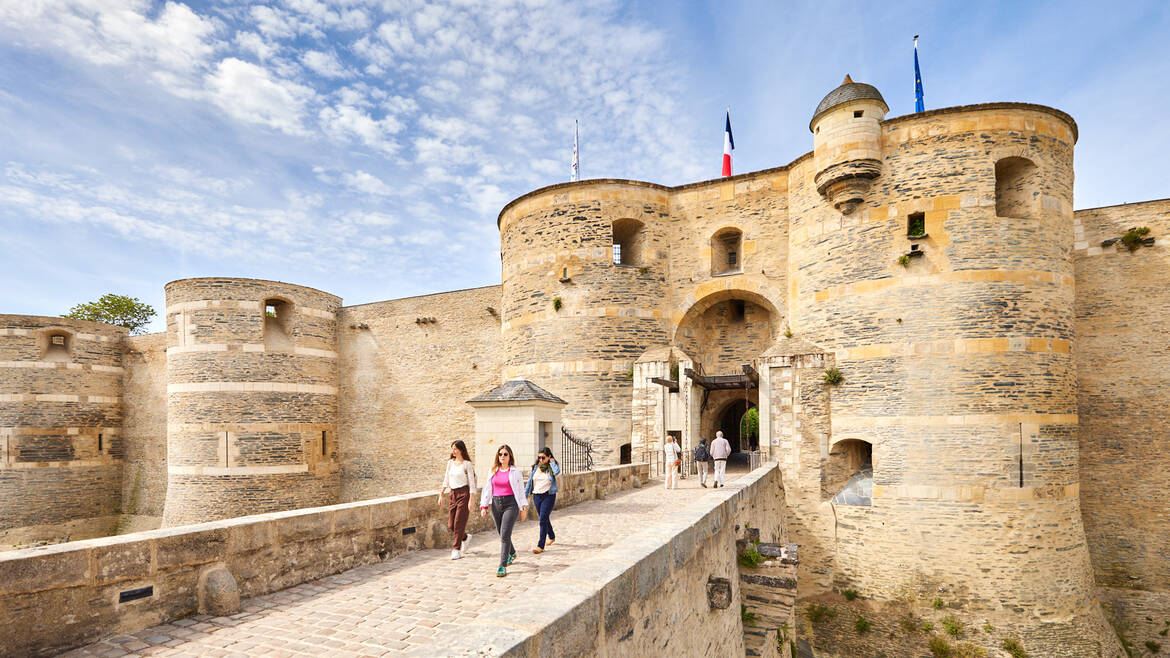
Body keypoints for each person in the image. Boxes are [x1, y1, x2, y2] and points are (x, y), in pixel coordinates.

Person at [479, 444, 527, 577]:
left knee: (505, 535)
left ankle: (502, 565)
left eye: (505, 454)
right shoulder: (493, 470)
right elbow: (487, 489)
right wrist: (484, 506)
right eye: (500, 454)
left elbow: (521, 491)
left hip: (510, 504)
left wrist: (523, 508)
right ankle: (512, 553)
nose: (502, 457)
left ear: (510, 456)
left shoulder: (515, 472)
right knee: (502, 533)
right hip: (496, 504)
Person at [438, 440, 477, 560]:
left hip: (464, 493)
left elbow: (471, 483)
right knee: (451, 525)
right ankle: (465, 537)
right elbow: (446, 478)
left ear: (461, 449)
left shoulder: (467, 464)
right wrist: (441, 493)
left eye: (455, 448)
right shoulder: (450, 463)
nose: (453, 451)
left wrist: (471, 500)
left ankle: (456, 549)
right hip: (452, 493)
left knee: (459, 523)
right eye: (452, 449)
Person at [524, 447, 561, 553]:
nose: (541, 460)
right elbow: (530, 482)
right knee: (543, 518)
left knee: (542, 520)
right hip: (536, 496)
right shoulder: (536, 468)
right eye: (539, 457)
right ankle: (552, 536)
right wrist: (524, 496)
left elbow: (556, 472)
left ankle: (540, 545)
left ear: (549, 457)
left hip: (548, 496)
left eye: (543, 457)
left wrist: (552, 462)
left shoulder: (551, 468)